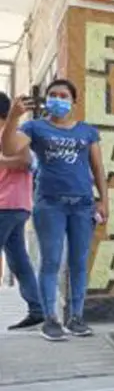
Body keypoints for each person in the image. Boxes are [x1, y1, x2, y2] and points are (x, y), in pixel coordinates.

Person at [0, 80, 108, 342]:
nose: (58, 99)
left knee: (79, 263)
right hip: (50, 205)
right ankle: (50, 320)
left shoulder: (87, 132)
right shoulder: (34, 127)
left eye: (64, 95)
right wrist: (14, 118)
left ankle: (77, 318)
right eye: (53, 95)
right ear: (46, 100)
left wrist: (104, 200)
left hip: (83, 205)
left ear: (73, 101)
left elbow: (98, 168)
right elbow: (8, 149)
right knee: (50, 262)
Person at [0, 92, 43, 330]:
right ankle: (37, 310)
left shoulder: (14, 134)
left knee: (19, 261)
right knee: (19, 262)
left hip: (8, 205)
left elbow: (26, 162)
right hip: (14, 206)